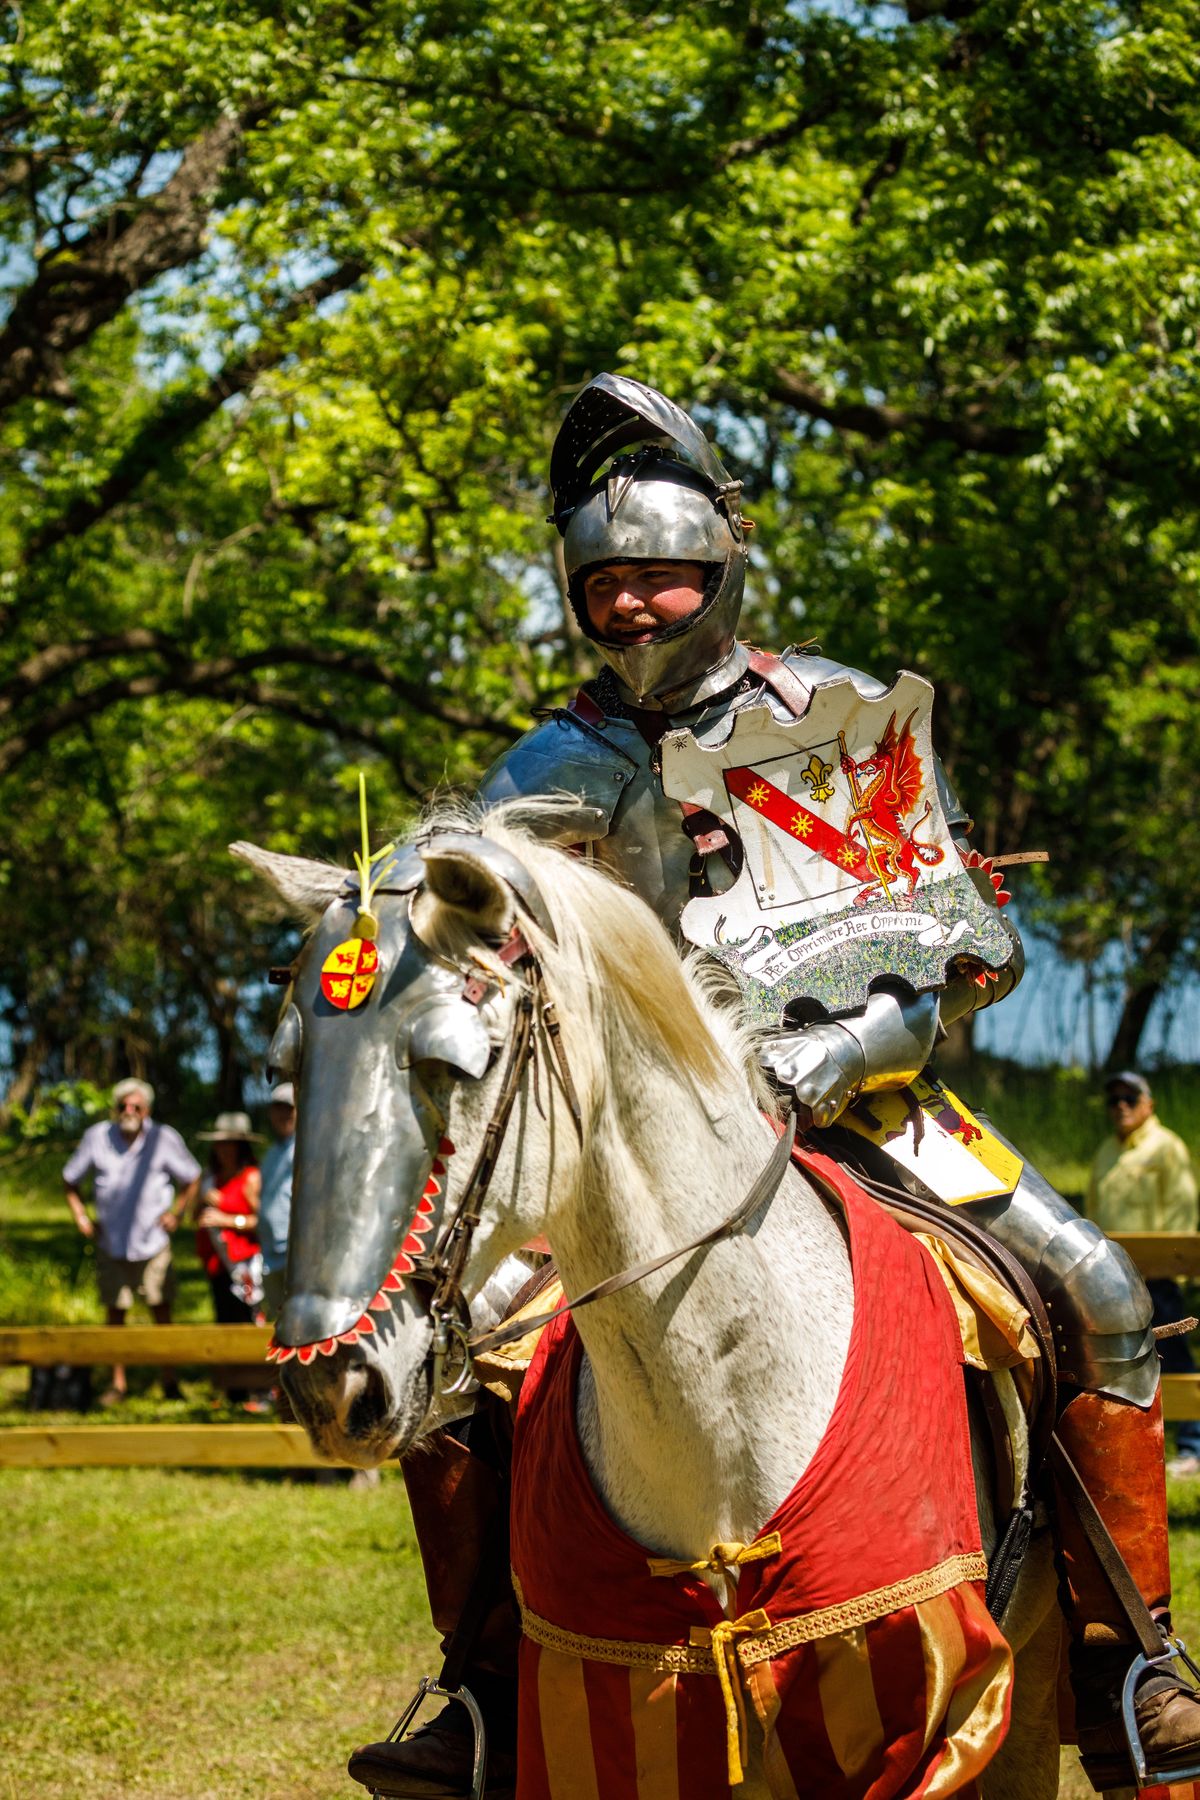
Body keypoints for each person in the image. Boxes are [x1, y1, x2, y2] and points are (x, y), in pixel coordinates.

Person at [354, 375, 1200, 1797]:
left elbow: (939, 956)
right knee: (452, 1358)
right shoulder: (551, 767)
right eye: (606, 583)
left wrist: (831, 1053)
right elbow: (450, 904)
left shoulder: (841, 719)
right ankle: (484, 1687)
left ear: (723, 575)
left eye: (665, 581)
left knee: (1099, 1292)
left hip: (869, 1107)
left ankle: (1133, 1660)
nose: (633, 608)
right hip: (632, 1156)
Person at [62, 1077, 200, 1406]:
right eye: (123, 1105)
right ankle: (117, 1384)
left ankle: (169, 1380)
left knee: (161, 1311)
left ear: (147, 1110)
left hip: (153, 1244)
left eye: (136, 1106)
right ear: (115, 1108)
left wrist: (178, 1214)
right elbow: (70, 1180)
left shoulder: (164, 1138)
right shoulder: (97, 1137)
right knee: (115, 1315)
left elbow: (191, 1177)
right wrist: (81, 1217)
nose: (129, 1111)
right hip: (112, 1244)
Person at [1090, 1070, 1200, 1476]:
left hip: (1158, 1273)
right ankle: (1131, 1440)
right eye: (1113, 1098)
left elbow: (1182, 1208)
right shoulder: (1106, 1150)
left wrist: (1173, 1263)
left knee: (1175, 1353)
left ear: (1148, 1103)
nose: (1120, 1105)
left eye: (1130, 1097)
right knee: (1121, 1355)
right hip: (1114, 1275)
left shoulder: (1166, 1147)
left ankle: (1192, 1447)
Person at [194, 1110, 266, 1408]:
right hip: (216, 1264)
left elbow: (262, 1221)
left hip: (244, 1266)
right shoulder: (210, 1179)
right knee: (224, 1324)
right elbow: (195, 1218)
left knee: (249, 1325)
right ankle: (232, 1390)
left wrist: (227, 1219)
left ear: (241, 1146)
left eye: (230, 1143)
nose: (223, 1149)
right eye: (219, 1143)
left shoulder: (251, 1178)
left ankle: (259, 1392)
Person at [258, 1082, 296, 1321]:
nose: (282, 1115)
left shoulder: (308, 1147)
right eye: (277, 1108)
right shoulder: (271, 1153)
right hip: (271, 1252)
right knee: (279, 1320)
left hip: (297, 1251)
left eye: (288, 1109)